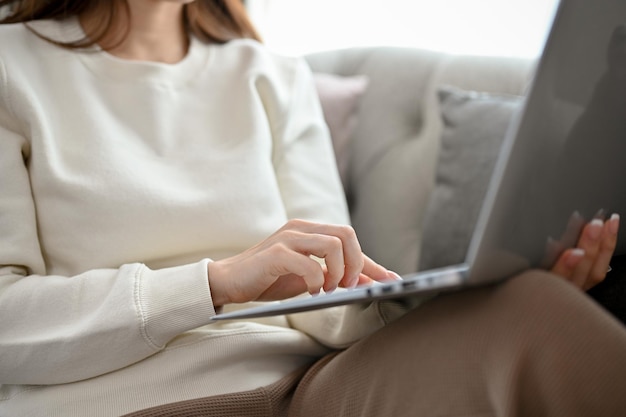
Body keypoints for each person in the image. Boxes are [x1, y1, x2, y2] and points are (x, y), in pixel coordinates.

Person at [0, 1, 625, 416]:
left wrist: (462, 300)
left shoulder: (271, 74)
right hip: (140, 399)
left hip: (310, 387)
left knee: (534, 311)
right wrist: (214, 284)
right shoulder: (13, 65)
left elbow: (333, 298)